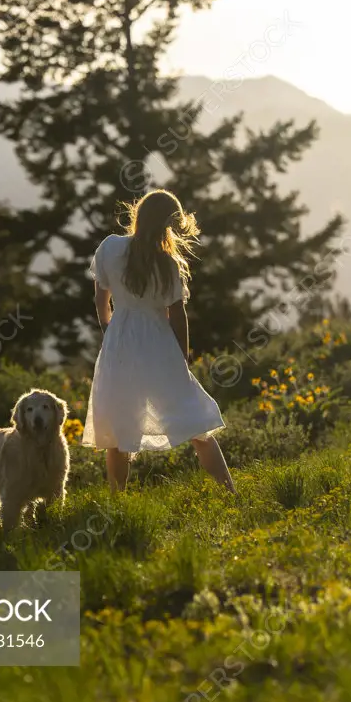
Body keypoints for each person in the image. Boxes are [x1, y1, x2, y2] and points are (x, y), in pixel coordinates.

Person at [82, 189, 236, 494]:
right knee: (195, 423)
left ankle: (117, 502)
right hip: (158, 343)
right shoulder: (168, 264)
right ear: (167, 224)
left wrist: (108, 329)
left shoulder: (110, 248)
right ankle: (229, 491)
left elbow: (102, 298)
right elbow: (178, 315)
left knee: (119, 424)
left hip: (120, 342)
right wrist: (182, 357)